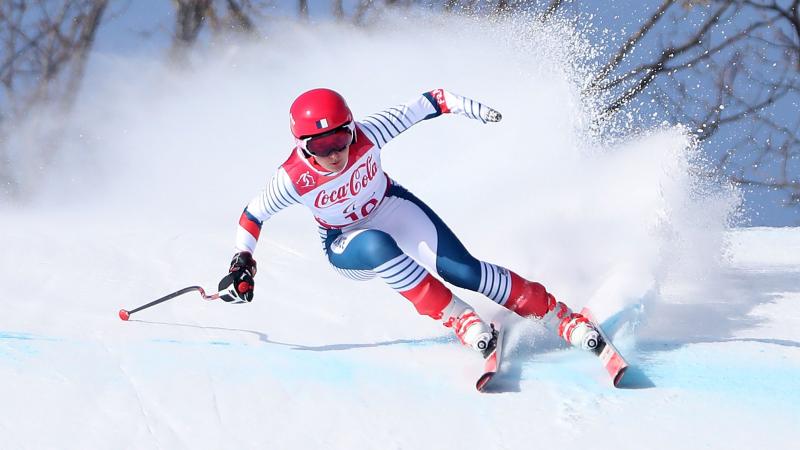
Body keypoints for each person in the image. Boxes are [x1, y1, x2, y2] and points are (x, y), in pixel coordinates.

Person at [218, 88, 599, 358]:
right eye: (320, 146)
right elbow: (252, 216)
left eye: (341, 137)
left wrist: (467, 107)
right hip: (344, 240)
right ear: (303, 146)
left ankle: (557, 315)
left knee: (463, 270)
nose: (335, 153)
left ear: (352, 128)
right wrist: (242, 262)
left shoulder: (370, 134)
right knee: (377, 245)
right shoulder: (292, 179)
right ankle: (459, 319)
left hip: (391, 205)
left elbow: (430, 102)